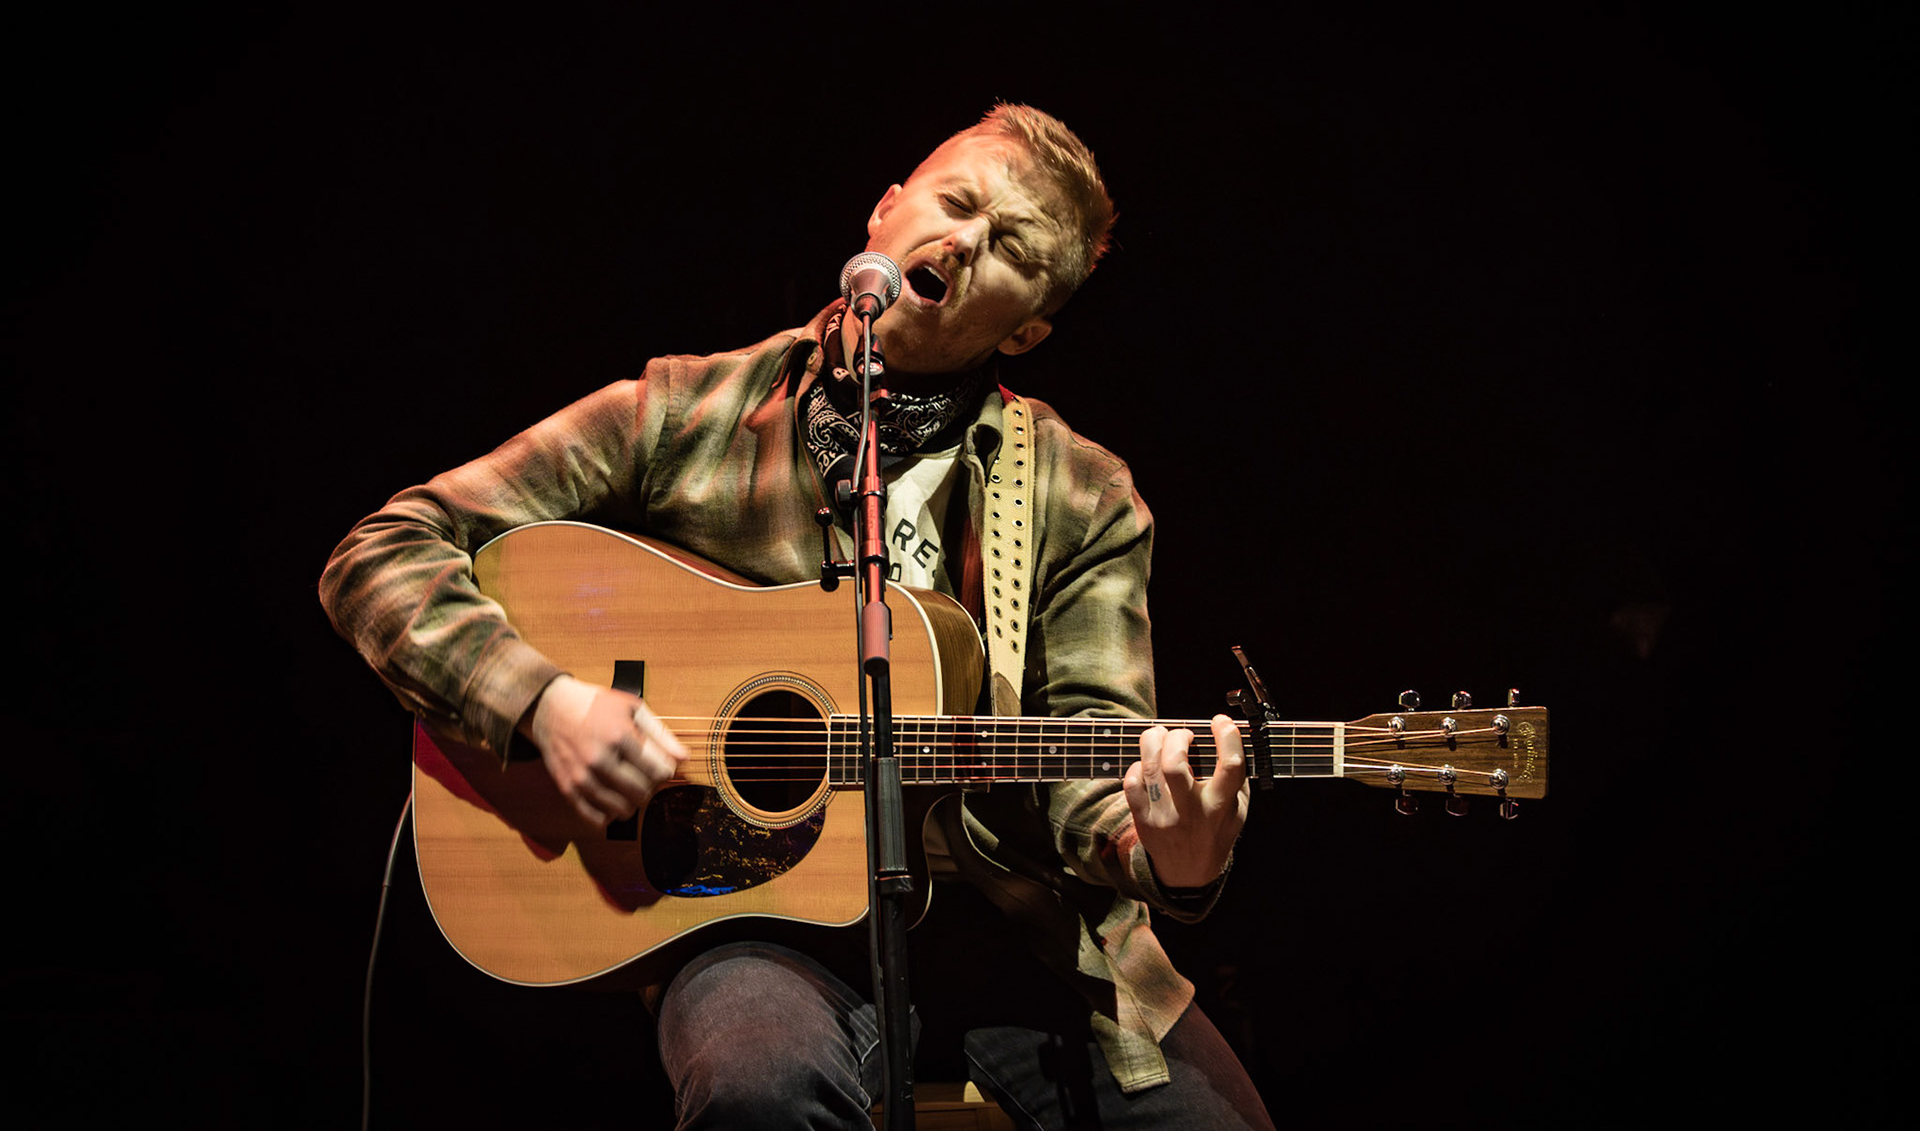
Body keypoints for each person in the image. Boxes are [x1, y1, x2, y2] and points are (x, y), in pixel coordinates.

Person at [321, 103, 1273, 1129]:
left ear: (1028, 328)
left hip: (1023, 937)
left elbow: (1092, 765)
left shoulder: (1083, 495)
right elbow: (382, 551)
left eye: (1009, 250)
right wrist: (542, 703)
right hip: (761, 929)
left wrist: (1167, 853)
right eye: (955, 205)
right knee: (755, 1088)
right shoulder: (687, 411)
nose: (961, 242)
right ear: (885, 212)